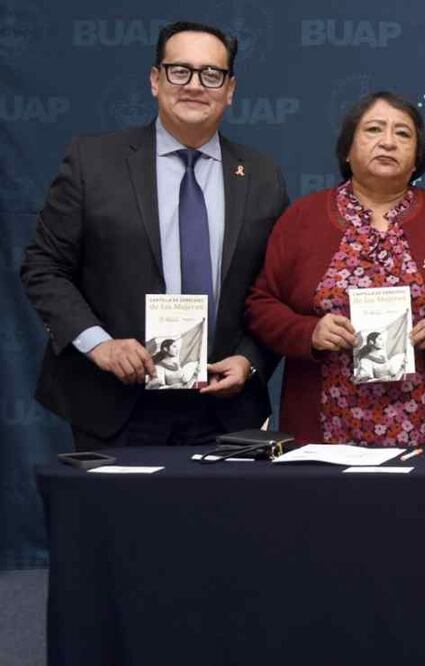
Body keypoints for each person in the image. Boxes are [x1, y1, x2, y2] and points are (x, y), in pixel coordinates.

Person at [21, 21, 288, 450]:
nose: (194, 85)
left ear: (230, 88)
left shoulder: (262, 176)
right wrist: (99, 345)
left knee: (220, 521)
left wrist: (250, 360)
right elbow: (44, 267)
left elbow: (275, 287)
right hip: (113, 402)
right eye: (179, 71)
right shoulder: (93, 162)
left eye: (210, 74)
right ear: (154, 80)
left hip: (223, 407)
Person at [246, 91, 425, 446]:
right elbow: (260, 305)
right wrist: (308, 332)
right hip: (325, 432)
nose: (388, 142)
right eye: (373, 130)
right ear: (347, 150)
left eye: (403, 134)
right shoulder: (302, 219)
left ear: (417, 157)